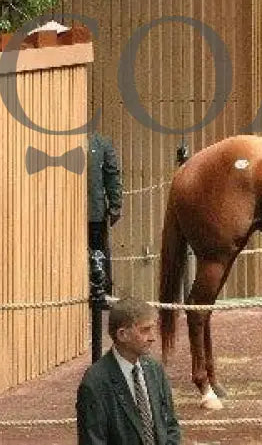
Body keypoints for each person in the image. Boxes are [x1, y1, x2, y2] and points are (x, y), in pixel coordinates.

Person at [76, 297, 181, 445]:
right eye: (145, 330)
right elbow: (93, 440)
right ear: (122, 334)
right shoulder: (96, 382)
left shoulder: (155, 370)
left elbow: (170, 426)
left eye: (152, 329)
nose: (152, 338)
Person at [89, 132, 123, 293]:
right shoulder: (101, 142)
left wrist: (115, 205)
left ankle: (101, 292)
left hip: (92, 210)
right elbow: (112, 175)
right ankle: (103, 293)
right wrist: (115, 205)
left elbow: (111, 175)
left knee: (97, 251)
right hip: (95, 209)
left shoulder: (101, 143)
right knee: (99, 252)